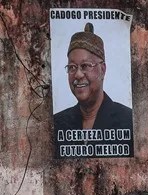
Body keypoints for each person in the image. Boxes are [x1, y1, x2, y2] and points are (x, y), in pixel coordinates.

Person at [53, 23, 134, 157]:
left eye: (85, 66)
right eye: (72, 67)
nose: (78, 75)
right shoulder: (57, 124)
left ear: (102, 70)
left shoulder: (128, 122)